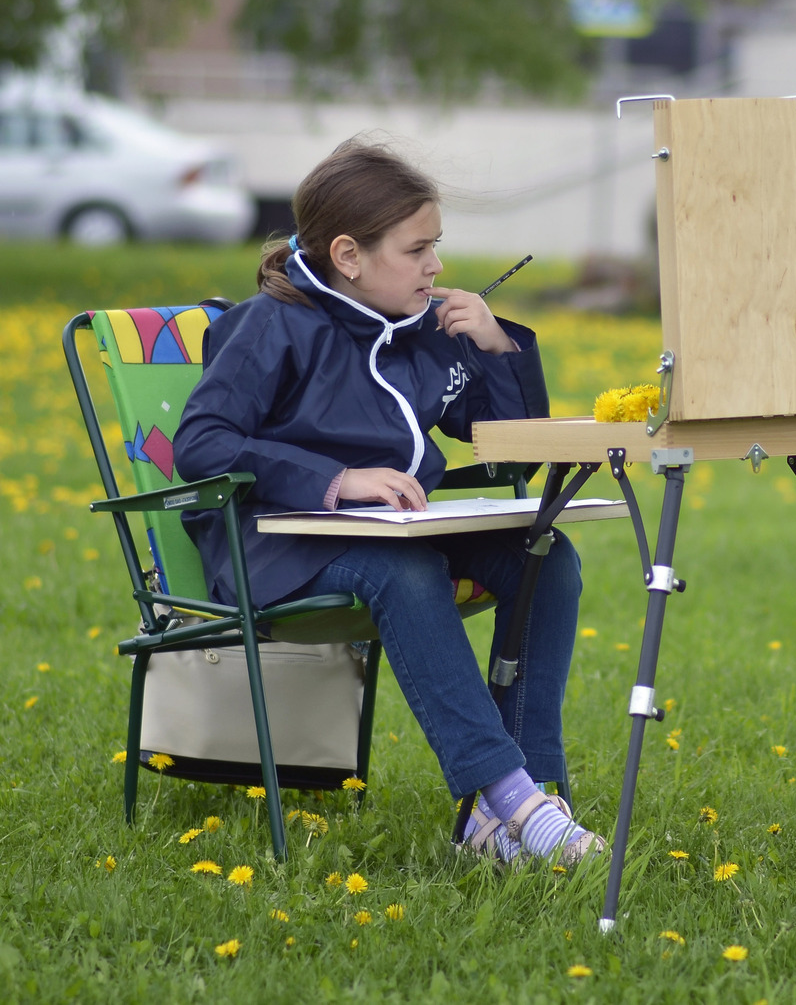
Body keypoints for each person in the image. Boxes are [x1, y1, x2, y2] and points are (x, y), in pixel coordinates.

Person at [174, 137, 604, 867]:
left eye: (435, 245)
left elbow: (513, 450)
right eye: (417, 249)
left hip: (392, 533)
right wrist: (334, 480)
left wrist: (497, 350)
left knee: (547, 554)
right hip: (274, 546)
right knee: (403, 575)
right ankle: (516, 803)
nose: (435, 266)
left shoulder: (419, 332)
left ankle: (514, 803)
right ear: (348, 254)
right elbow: (202, 441)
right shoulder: (267, 325)